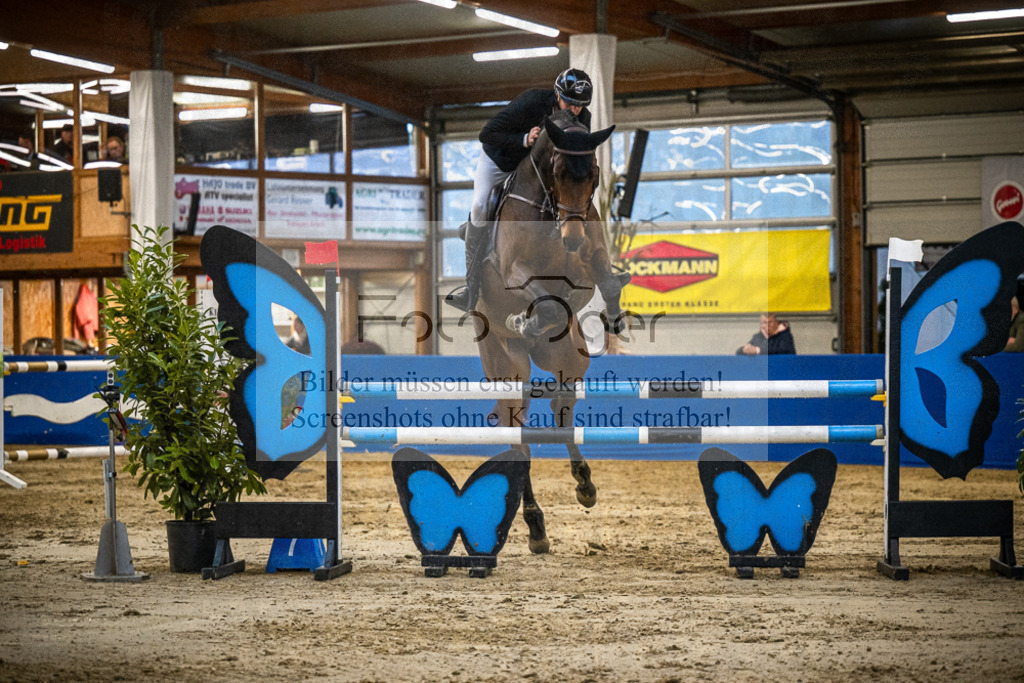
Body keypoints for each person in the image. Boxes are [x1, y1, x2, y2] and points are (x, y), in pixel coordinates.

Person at [445, 68, 594, 312]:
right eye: (570, 102)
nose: (574, 110)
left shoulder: (581, 118)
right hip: (501, 161)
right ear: (557, 94)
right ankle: (471, 288)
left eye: (580, 105)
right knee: (480, 205)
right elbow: (487, 133)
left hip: (536, 173)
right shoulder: (532, 101)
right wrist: (524, 139)